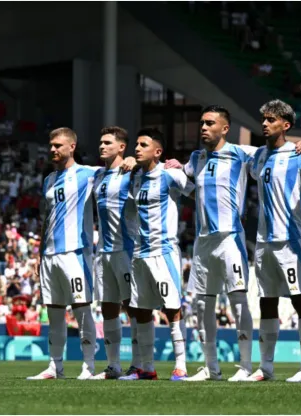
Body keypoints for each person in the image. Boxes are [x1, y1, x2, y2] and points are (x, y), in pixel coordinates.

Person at [164, 106, 301, 382]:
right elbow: (184, 177)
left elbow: (276, 151)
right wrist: (170, 165)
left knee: (239, 302)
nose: (203, 128)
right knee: (203, 305)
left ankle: (245, 366)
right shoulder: (196, 158)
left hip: (231, 237)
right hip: (203, 241)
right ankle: (211, 367)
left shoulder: (243, 153)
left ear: (225, 128)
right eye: (202, 123)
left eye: (210, 123)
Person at [27, 128, 107, 380]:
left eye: (58, 145)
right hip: (49, 255)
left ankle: (88, 366)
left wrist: (126, 160)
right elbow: (47, 218)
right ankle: (55, 367)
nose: (53, 150)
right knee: (54, 312)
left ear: (72, 146)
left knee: (82, 309)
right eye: (51, 145)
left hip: (75, 252)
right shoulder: (49, 180)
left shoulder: (88, 173)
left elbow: (115, 169)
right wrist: (40, 253)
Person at [246, 99, 301, 382]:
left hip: (292, 240)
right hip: (264, 240)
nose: (264, 123)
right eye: (263, 119)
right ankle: (266, 368)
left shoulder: (298, 154)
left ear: (285, 125)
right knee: (266, 301)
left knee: (300, 300)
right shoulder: (259, 157)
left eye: (271, 120)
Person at [119, 129, 195, 381]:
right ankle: (146, 368)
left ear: (158, 151)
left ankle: (181, 365)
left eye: (143, 145)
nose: (137, 148)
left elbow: (196, 191)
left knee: (172, 308)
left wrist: (184, 168)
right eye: (136, 144)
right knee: (140, 309)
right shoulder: (136, 177)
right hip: (140, 253)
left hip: (164, 252)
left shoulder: (169, 174)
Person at [91, 126, 141, 379]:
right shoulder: (98, 175)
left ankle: (139, 364)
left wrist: (135, 160)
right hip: (103, 252)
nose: (102, 146)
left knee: (133, 307)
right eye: (100, 142)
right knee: (107, 307)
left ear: (122, 147)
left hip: (126, 249)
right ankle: (113, 366)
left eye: (108, 142)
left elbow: (155, 168)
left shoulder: (132, 173)